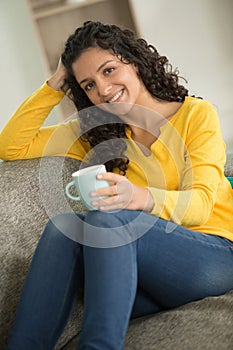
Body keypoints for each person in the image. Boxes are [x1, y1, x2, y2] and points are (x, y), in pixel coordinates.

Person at [1, 20, 233, 350]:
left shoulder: (195, 115)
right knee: (66, 226)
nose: (103, 90)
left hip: (214, 256)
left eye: (109, 70)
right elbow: (11, 146)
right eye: (88, 84)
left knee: (107, 218)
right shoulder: (98, 131)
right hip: (147, 275)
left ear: (134, 61)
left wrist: (138, 197)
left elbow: (201, 204)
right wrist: (55, 83)